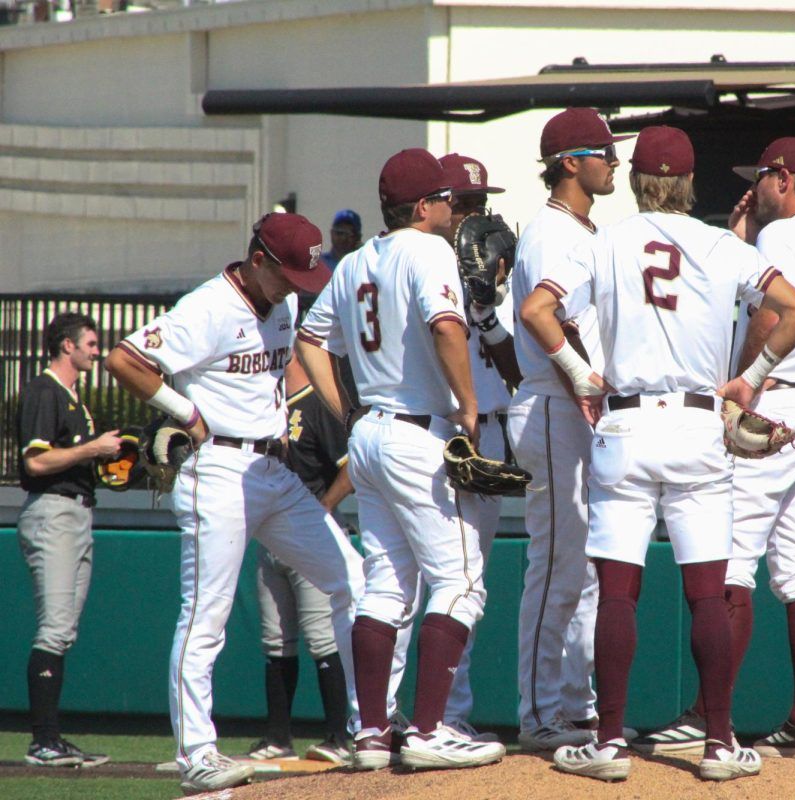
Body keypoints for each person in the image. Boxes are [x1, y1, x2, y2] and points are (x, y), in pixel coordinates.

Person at [521, 125, 795, 782]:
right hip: (696, 425)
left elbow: (538, 310)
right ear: (687, 183)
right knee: (708, 594)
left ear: (635, 181)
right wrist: (751, 377)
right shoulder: (722, 244)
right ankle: (718, 744)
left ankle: (608, 743)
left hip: (625, 424)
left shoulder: (604, 241)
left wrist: (579, 374)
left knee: (617, 593)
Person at [104, 212, 366, 795]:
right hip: (219, 467)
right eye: (289, 273)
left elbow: (291, 360)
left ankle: (368, 725)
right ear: (258, 259)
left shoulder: (284, 301)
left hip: (273, 470)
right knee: (206, 617)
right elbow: (123, 359)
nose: (297, 285)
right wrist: (186, 412)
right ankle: (197, 754)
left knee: (354, 579)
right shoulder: (208, 307)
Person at [631, 137, 795, 760]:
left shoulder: (783, 235)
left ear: (783, 179)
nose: (753, 188)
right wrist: (743, 239)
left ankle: (708, 717)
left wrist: (741, 384)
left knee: (732, 563)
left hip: (775, 401)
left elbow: (767, 317)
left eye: (760, 177)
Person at [294, 148, 505, 772]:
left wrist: (348, 414)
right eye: (442, 198)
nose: (450, 207)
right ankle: (432, 730)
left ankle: (371, 734)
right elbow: (446, 327)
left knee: (386, 586)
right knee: (460, 584)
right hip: (419, 434)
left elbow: (310, 340)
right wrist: (470, 405)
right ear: (421, 207)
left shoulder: (357, 260)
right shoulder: (428, 250)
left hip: (370, 436)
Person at [507, 107, 630, 751]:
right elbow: (541, 318)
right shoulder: (552, 232)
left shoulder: (581, 229)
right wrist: (582, 376)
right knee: (556, 566)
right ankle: (538, 712)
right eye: (603, 153)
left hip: (573, 408)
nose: (615, 162)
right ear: (570, 163)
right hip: (554, 405)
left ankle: (576, 708)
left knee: (584, 567)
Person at [436, 152, 520, 741]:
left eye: (479, 202)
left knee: (467, 580)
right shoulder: (420, 270)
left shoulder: (499, 277)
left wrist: (487, 306)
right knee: (414, 583)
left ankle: (448, 715)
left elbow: (517, 371)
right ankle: (394, 718)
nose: (474, 215)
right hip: (433, 431)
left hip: (487, 433)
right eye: (463, 203)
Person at [16, 313, 121, 768]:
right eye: (91, 344)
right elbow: (36, 462)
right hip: (53, 511)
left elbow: (75, 459)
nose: (96, 351)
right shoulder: (45, 390)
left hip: (76, 511)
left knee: (64, 633)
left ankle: (51, 739)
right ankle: (42, 742)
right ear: (67, 346)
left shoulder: (75, 398)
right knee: (54, 629)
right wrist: (93, 449)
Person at [244, 355, 356, 765]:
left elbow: (352, 468)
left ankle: (340, 736)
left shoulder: (318, 402)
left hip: (313, 535)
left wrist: (321, 509)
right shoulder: (268, 402)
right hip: (271, 535)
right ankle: (278, 736)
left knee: (323, 638)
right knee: (276, 640)